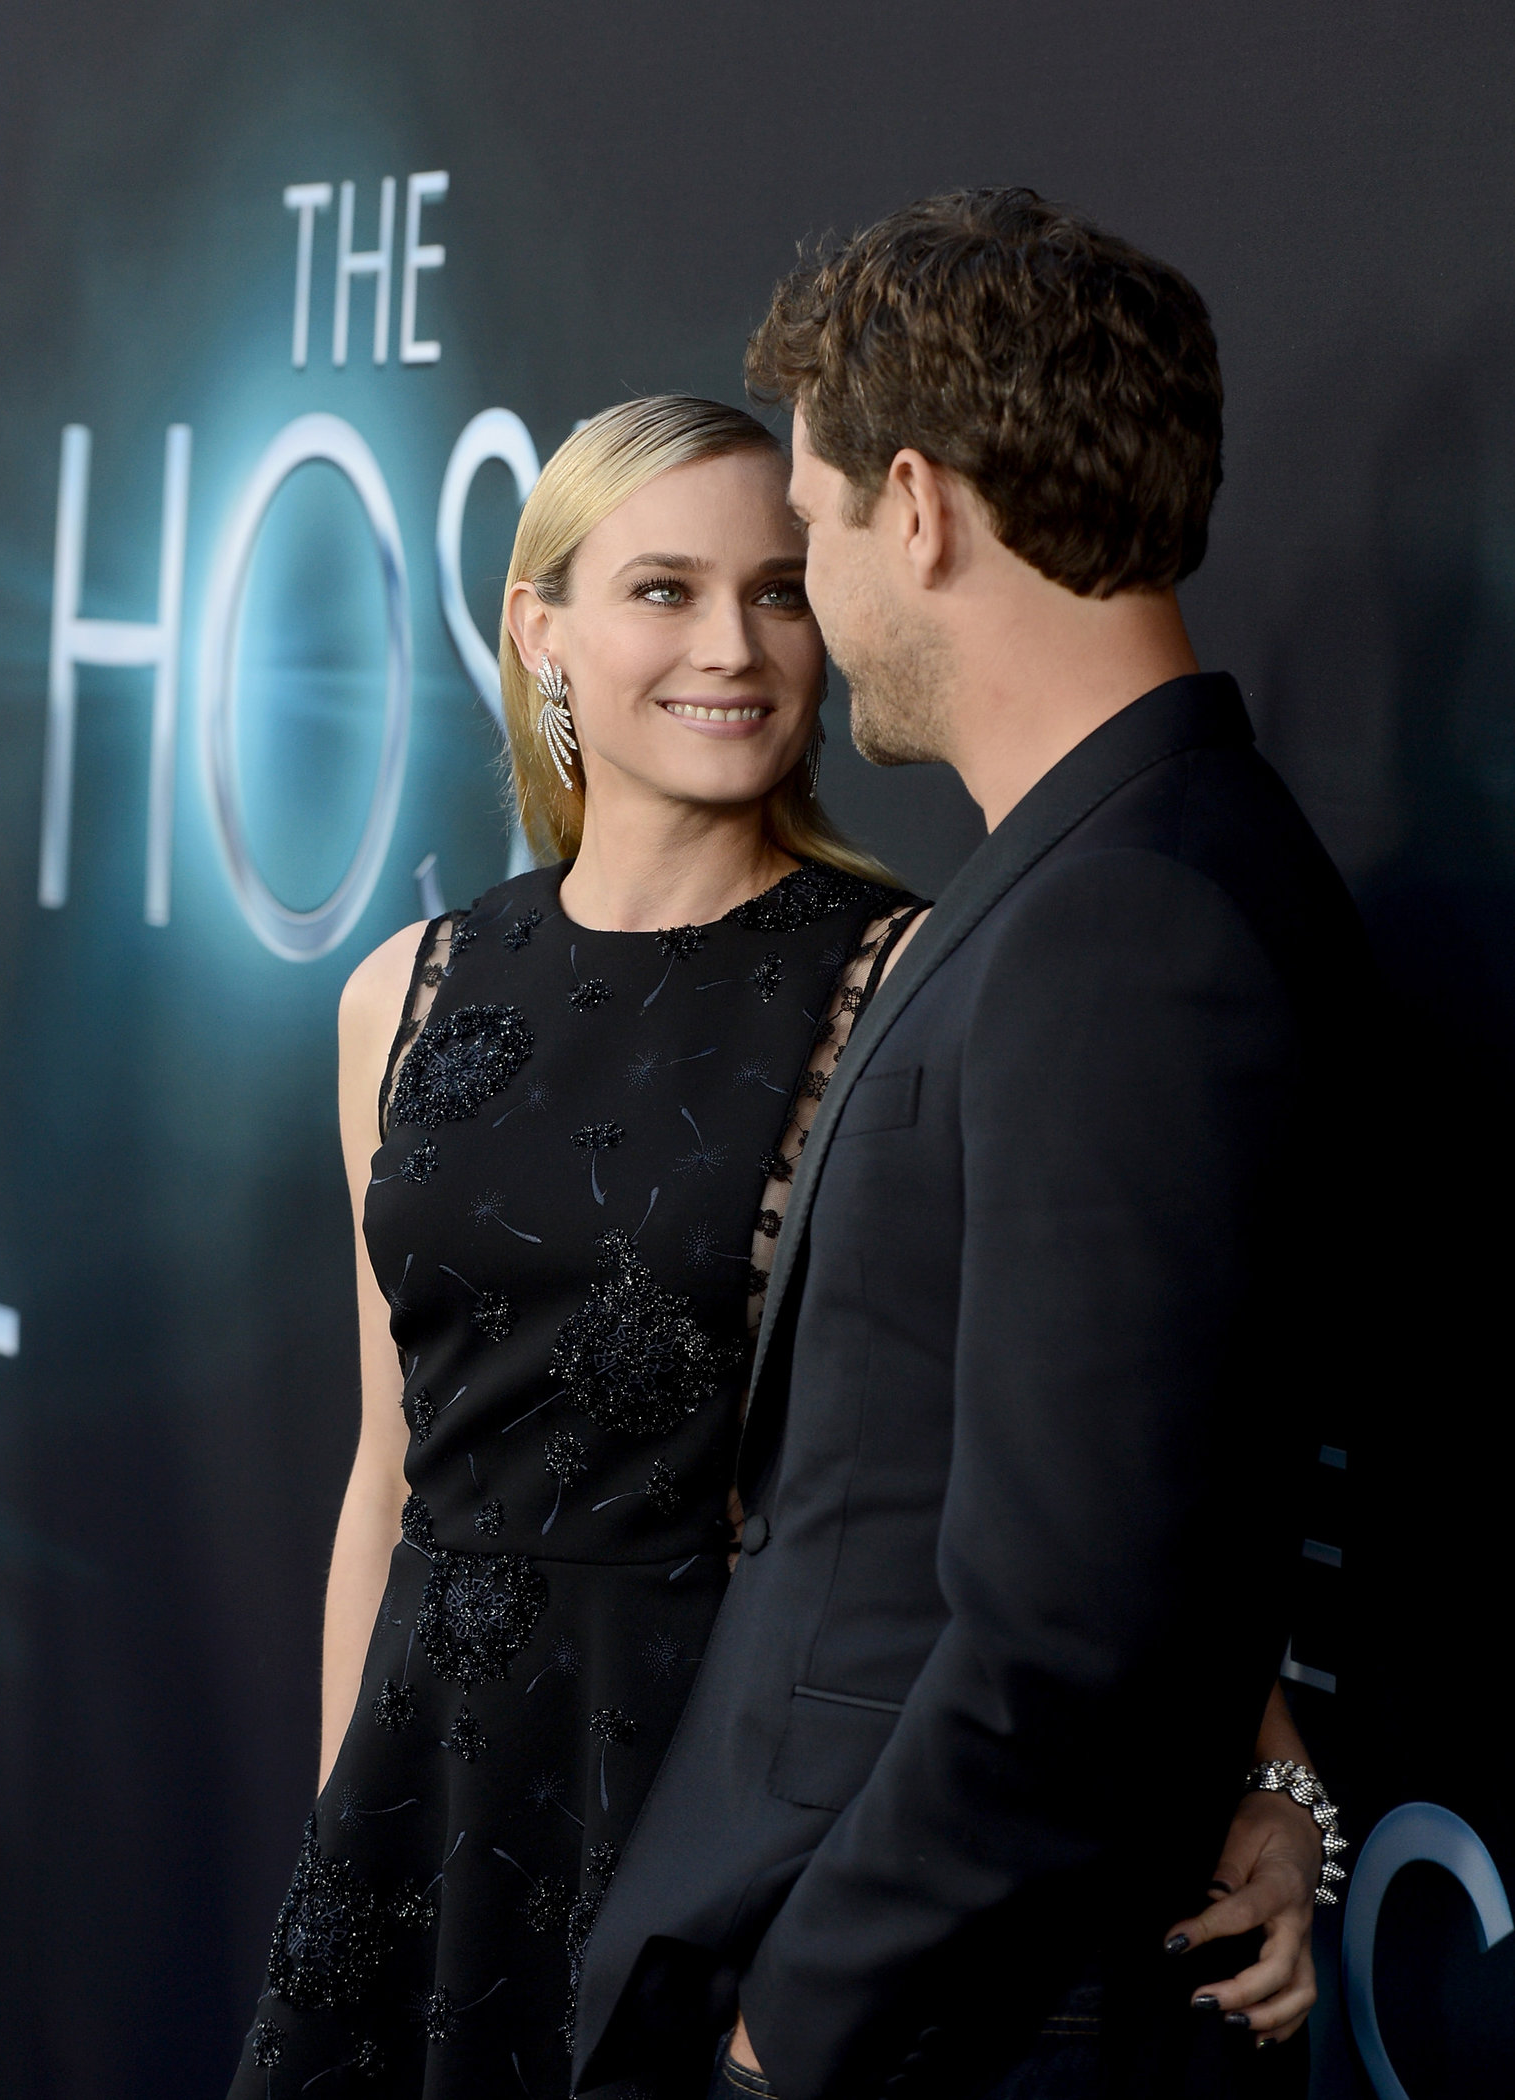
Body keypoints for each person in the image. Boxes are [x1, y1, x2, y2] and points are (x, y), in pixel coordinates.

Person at [228, 388, 1325, 2100]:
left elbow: (1070, 1438)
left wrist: (1269, 1768)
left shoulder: (907, 982)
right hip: (429, 1780)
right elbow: (391, 1474)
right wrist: (346, 1844)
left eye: (780, 590)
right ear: (539, 630)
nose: (731, 646)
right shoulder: (404, 991)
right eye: (662, 590)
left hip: (714, 1772)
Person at [572, 196, 1370, 2100]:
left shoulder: (1127, 923)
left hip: (952, 2023)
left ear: (917, 510)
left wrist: (790, 2031)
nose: (811, 597)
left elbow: (1069, 1638)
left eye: (815, 533)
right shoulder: (1127, 869)